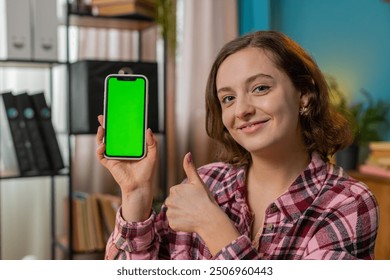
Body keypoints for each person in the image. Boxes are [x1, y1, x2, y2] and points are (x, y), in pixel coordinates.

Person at [96, 30, 379, 260]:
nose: (241, 110)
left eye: (260, 88)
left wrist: (213, 225)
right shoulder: (206, 182)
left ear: (304, 95)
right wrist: (136, 194)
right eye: (228, 98)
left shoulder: (348, 202)